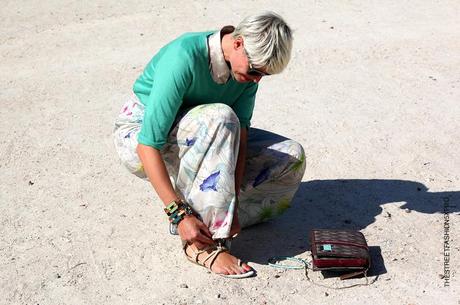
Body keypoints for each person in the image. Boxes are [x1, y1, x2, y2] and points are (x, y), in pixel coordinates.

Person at [113, 11, 306, 278]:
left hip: (207, 131)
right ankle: (200, 244)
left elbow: (241, 137)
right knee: (221, 117)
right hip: (138, 137)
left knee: (290, 156)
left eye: (264, 75)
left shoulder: (245, 75)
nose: (256, 80)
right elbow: (148, 145)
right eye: (254, 70)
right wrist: (177, 213)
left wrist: (234, 203)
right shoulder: (183, 57)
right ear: (238, 43)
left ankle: (213, 217)